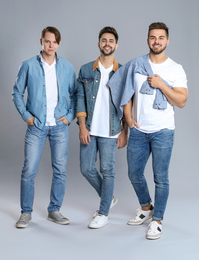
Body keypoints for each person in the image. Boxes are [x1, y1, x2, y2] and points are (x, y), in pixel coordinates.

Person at [108, 22, 188, 239]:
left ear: (167, 41)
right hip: (139, 131)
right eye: (153, 37)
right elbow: (127, 94)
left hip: (163, 130)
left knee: (161, 178)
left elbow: (181, 101)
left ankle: (157, 220)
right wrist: (127, 121)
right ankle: (146, 207)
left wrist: (162, 85)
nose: (157, 41)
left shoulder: (175, 69)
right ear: (147, 40)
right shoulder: (136, 65)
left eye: (161, 37)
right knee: (134, 173)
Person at [12, 26, 76, 228]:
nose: (50, 45)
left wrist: (69, 117)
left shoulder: (67, 67)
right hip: (36, 126)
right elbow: (17, 92)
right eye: (47, 41)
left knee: (60, 170)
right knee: (29, 169)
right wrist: (26, 116)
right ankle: (25, 213)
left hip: (59, 126)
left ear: (59, 44)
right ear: (41, 41)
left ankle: (54, 210)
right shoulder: (29, 65)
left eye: (54, 42)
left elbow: (75, 95)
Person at [76, 26, 128, 229]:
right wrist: (81, 125)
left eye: (111, 41)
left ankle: (104, 212)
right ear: (99, 43)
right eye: (104, 40)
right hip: (89, 127)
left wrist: (125, 131)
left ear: (116, 45)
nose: (107, 44)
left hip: (111, 130)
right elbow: (80, 97)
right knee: (86, 168)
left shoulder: (123, 72)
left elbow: (127, 103)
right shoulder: (86, 69)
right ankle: (109, 197)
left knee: (108, 171)